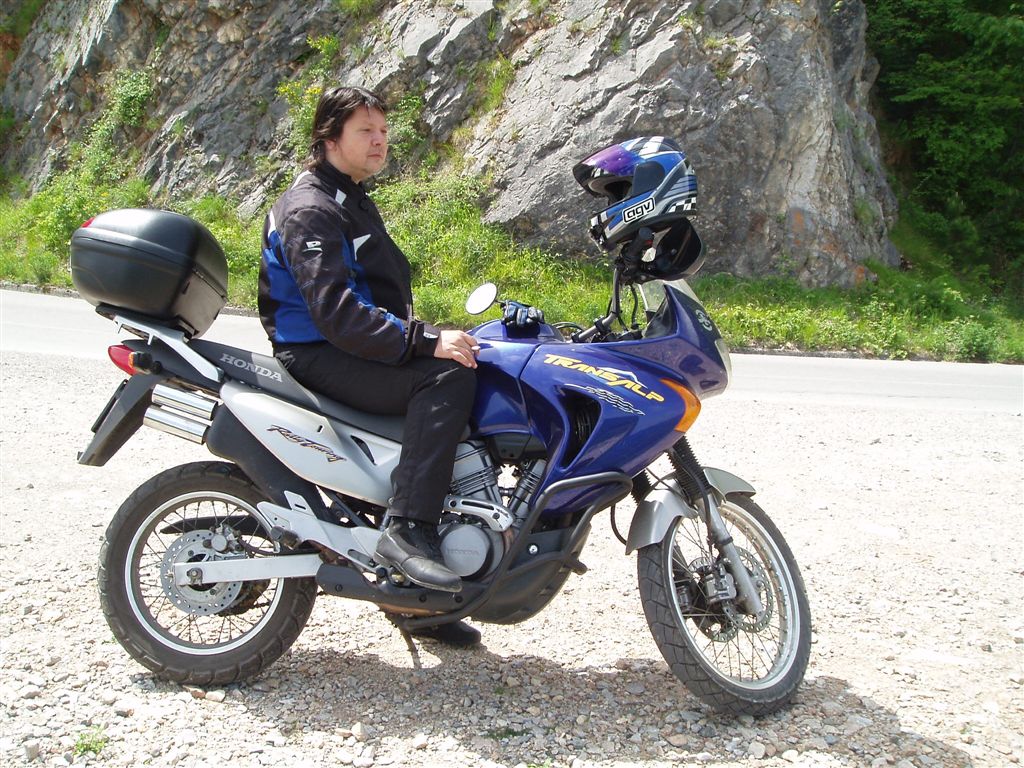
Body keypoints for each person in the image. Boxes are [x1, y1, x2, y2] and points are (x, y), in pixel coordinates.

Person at [258, 86, 482, 642]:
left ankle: (414, 602)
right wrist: (423, 341)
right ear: (329, 138)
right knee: (446, 376)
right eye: (365, 130)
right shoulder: (311, 208)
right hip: (319, 352)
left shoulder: (349, 197)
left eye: (383, 130)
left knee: (476, 359)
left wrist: (428, 334)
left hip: (347, 345)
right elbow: (337, 314)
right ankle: (408, 531)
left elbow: (372, 298)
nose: (380, 140)